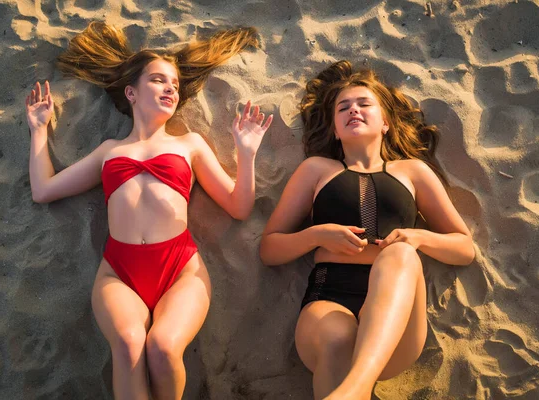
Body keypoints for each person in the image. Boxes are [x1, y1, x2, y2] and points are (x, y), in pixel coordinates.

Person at [25, 22, 272, 400]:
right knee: (127, 343)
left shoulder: (190, 144)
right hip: (118, 272)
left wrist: (247, 154)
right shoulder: (110, 150)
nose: (170, 88)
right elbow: (44, 190)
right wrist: (39, 131)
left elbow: (239, 207)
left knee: (162, 346)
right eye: (158, 80)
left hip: (181, 270)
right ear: (131, 93)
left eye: (174, 83)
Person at [259, 61, 474, 400]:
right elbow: (270, 249)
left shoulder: (412, 172)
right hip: (329, 296)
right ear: (334, 129)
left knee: (401, 253)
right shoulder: (316, 170)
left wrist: (417, 236)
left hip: (396, 310)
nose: (353, 110)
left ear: (386, 122)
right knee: (337, 338)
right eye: (343, 108)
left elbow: (464, 248)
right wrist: (317, 235)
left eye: (363, 104)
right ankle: (357, 389)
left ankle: (356, 387)